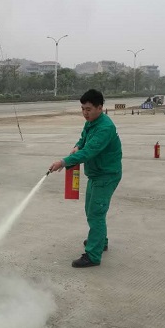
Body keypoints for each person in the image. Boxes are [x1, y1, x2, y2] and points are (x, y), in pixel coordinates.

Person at [49, 89, 122, 268]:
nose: (85, 113)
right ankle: (100, 240)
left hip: (106, 175)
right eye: (83, 109)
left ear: (100, 107)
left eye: (88, 109)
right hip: (96, 174)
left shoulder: (105, 127)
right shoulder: (91, 122)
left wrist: (64, 162)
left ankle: (93, 256)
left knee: (96, 213)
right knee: (92, 211)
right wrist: (76, 146)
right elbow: (83, 140)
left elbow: (89, 152)